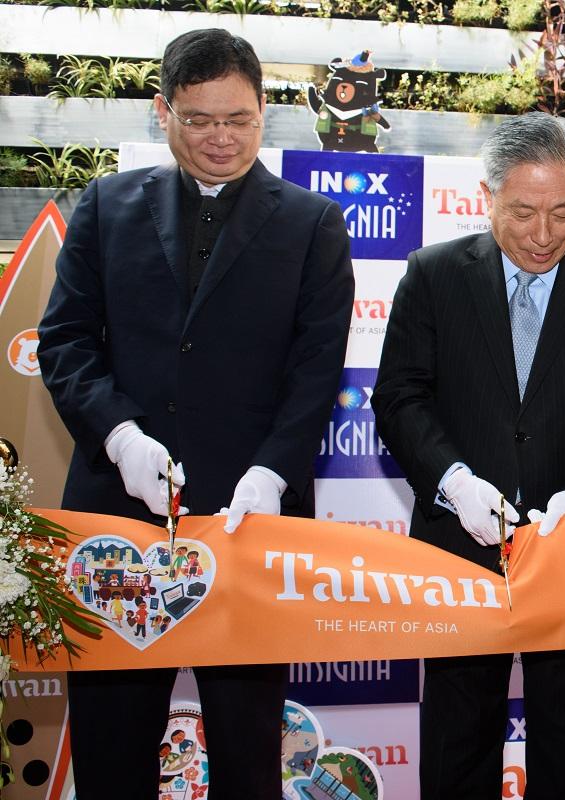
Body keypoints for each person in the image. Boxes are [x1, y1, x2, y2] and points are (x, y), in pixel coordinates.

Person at [37, 28, 353, 799]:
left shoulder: (312, 223)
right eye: (200, 119)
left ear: (263, 112)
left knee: (249, 752)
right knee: (112, 750)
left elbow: (316, 372)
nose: (221, 137)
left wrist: (272, 473)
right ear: (163, 112)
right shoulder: (107, 205)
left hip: (249, 526)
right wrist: (120, 436)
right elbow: (65, 341)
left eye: (239, 119)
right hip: (119, 523)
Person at [372, 111, 565, 800]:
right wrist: (455, 482)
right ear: (488, 197)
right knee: (457, 738)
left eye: (563, 213)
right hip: (458, 544)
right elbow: (400, 398)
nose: (543, 234)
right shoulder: (433, 275)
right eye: (524, 213)